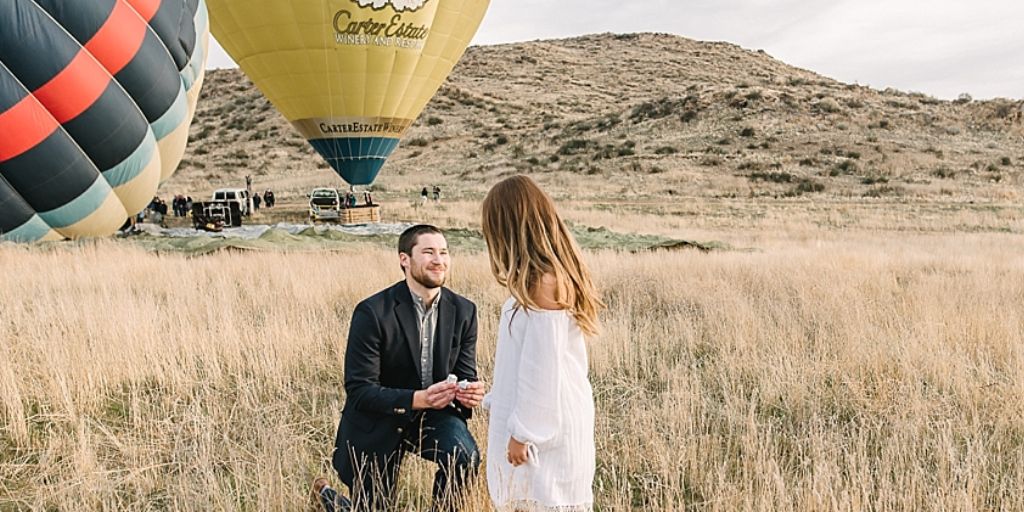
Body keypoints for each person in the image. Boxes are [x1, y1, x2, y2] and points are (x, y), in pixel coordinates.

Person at [322, 224, 485, 512]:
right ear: (404, 259)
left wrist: (468, 391)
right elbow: (360, 390)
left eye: (444, 252)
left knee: (464, 456)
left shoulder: (464, 311)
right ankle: (326, 496)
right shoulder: (372, 312)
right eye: (428, 252)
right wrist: (418, 399)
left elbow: (465, 373)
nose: (439, 260)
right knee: (373, 508)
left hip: (434, 417)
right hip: (379, 419)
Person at [480, 175, 602, 512]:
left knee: (541, 501)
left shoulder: (543, 283)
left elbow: (541, 368)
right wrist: (495, 400)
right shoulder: (542, 277)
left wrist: (524, 432)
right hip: (546, 415)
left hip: (546, 425)